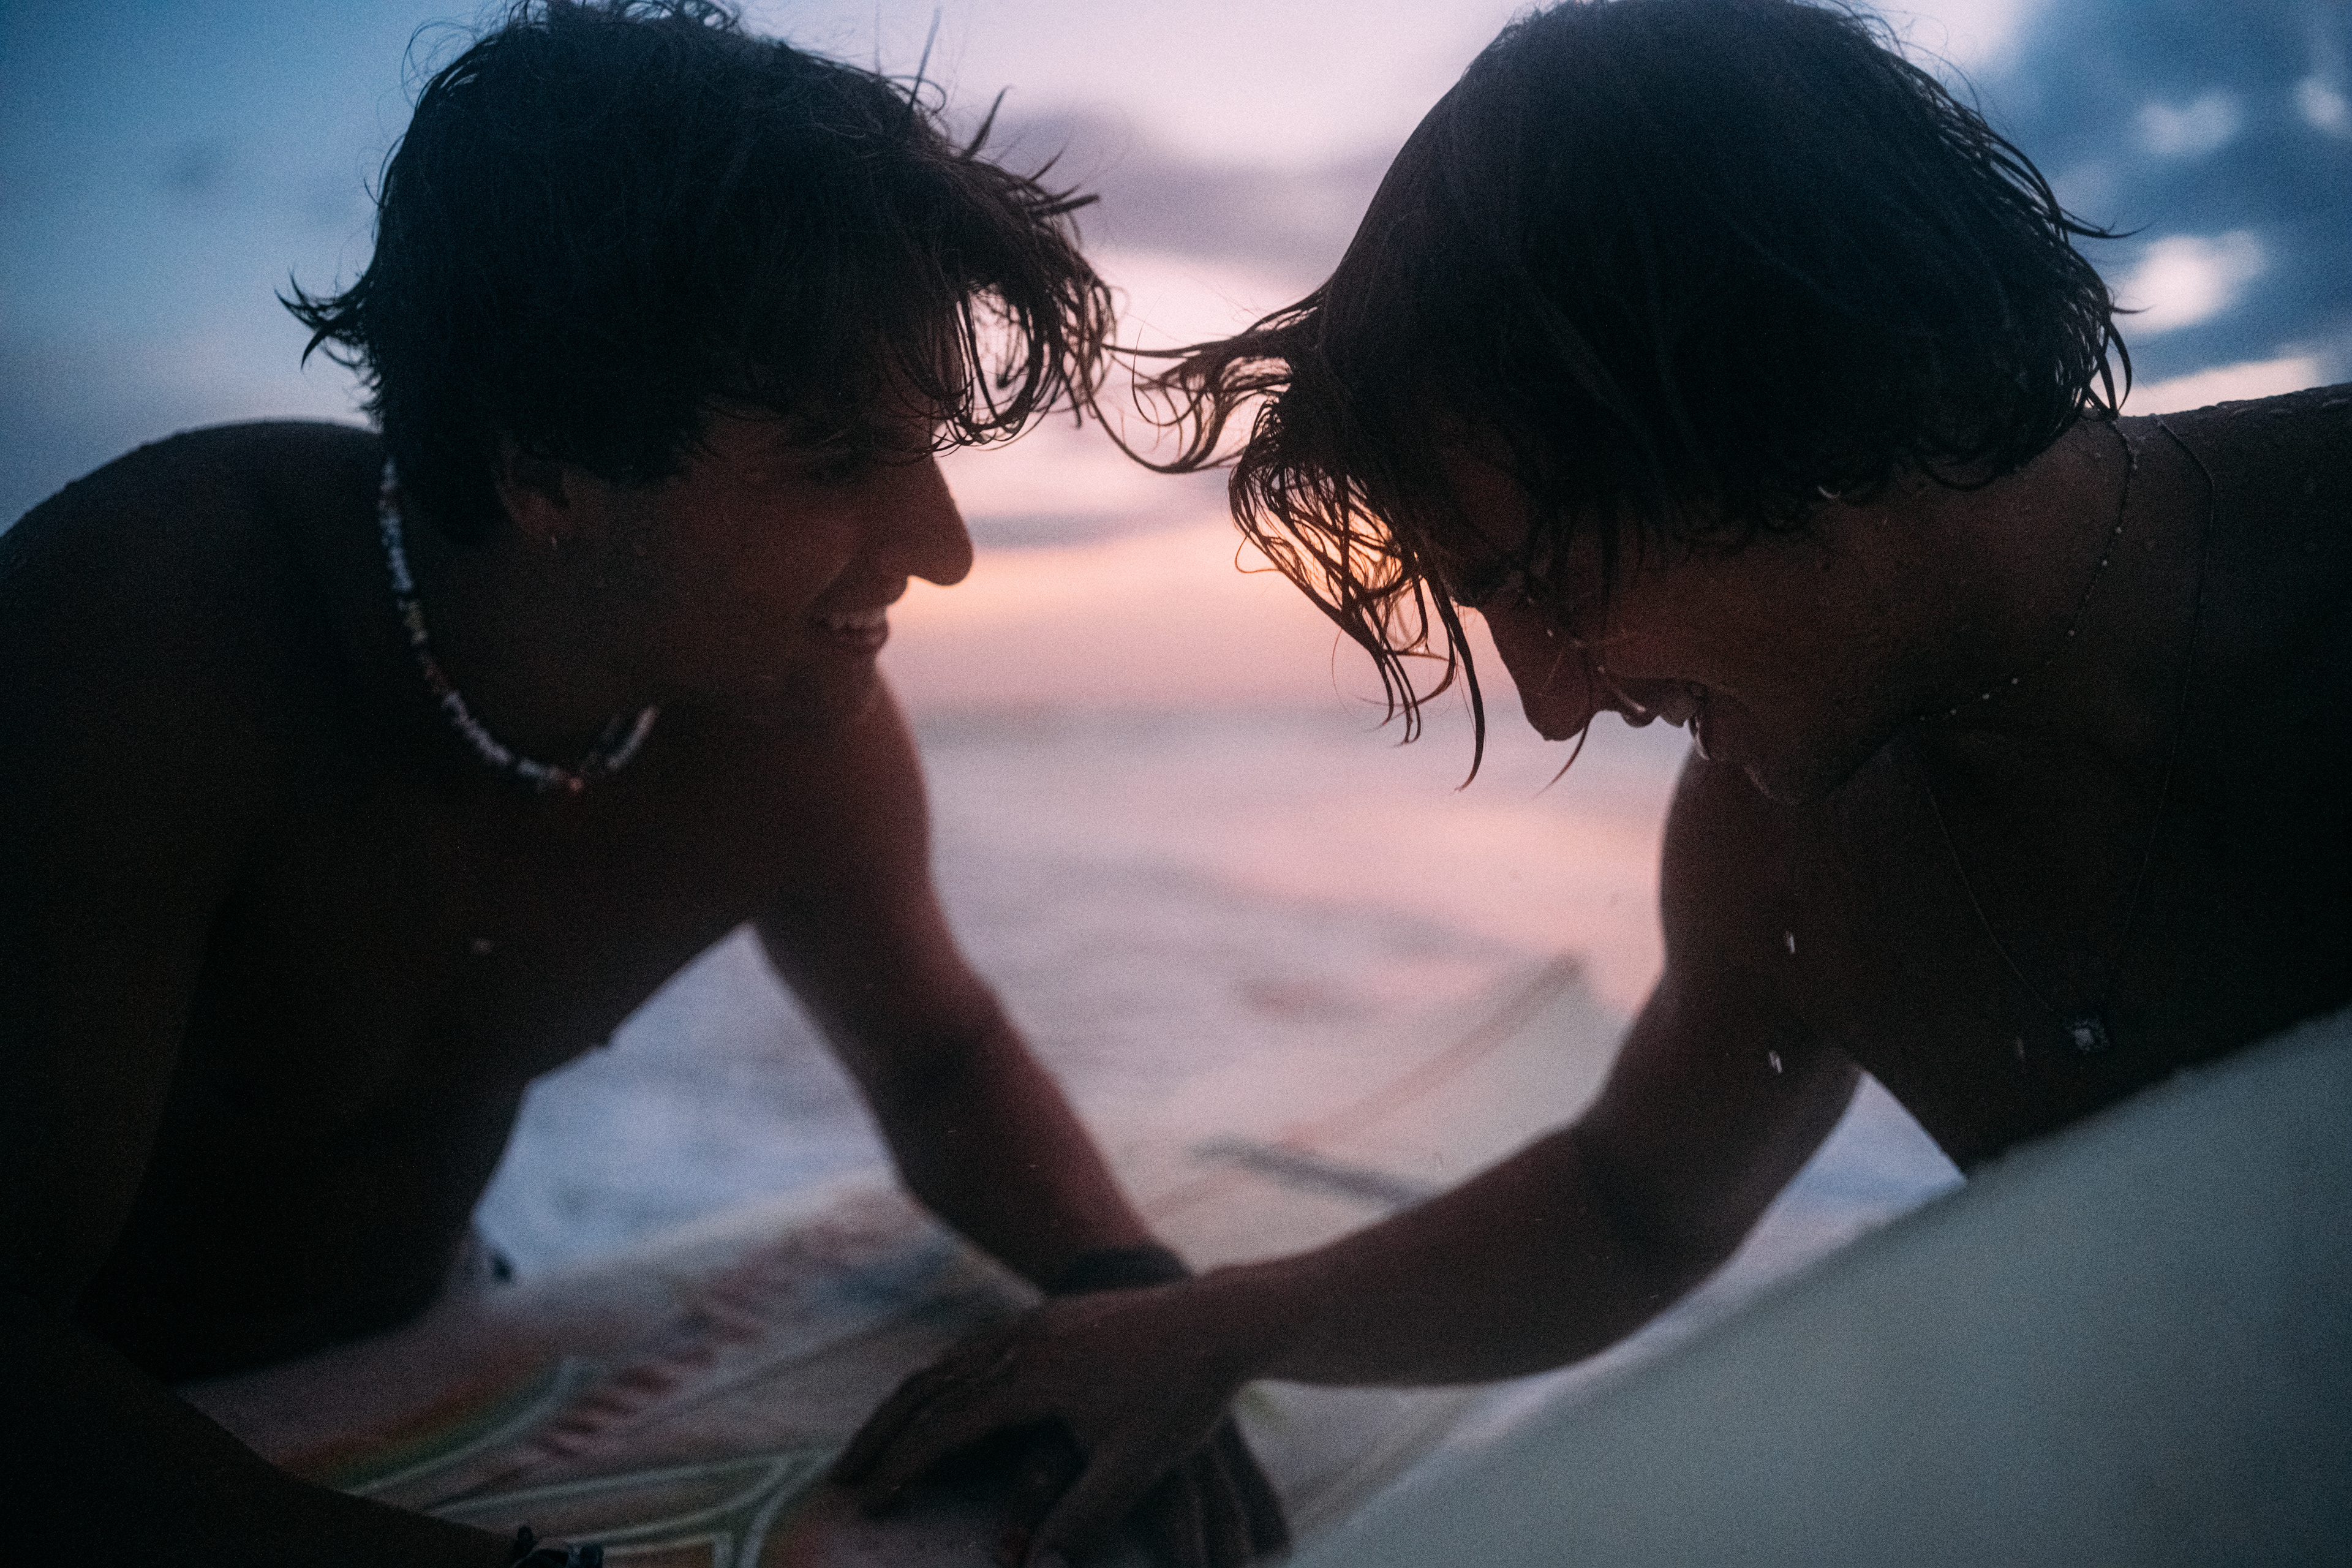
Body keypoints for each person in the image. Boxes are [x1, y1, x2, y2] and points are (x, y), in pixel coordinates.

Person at [830, 0, 2352, 1559]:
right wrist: (1220, 1326)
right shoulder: (1782, 845)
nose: (1552, 702)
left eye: (1552, 578)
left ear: (1816, 389)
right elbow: (1636, 1201)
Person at [0, 4, 1284, 1564]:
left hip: (432, 1348)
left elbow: (937, 1050)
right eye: (838, 459)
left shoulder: (783, 730)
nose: (944, 548)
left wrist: (1127, 1293)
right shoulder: (148, 643)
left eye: (931, 450)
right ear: (546, 468)